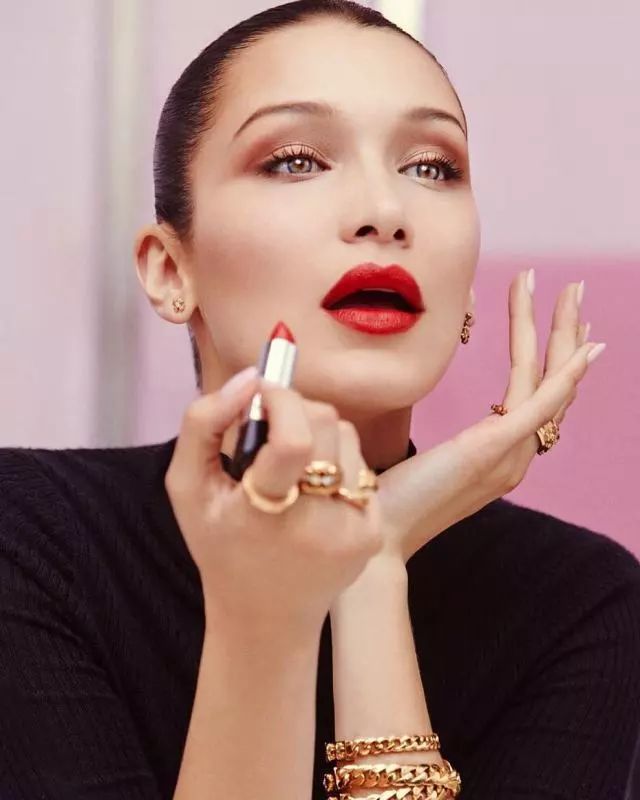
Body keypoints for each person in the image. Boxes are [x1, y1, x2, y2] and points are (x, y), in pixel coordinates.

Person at [1, 1, 639, 798]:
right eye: (296, 160)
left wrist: (370, 565)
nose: (385, 213)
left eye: (432, 167)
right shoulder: (27, 537)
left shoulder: (581, 601)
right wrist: (271, 610)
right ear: (170, 270)